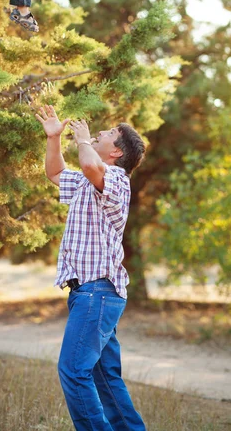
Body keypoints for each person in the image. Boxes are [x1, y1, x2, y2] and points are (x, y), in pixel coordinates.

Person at [35, 104, 147, 431]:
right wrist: (54, 138)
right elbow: (55, 173)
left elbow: (88, 165)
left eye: (108, 133)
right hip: (92, 293)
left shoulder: (116, 179)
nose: (100, 132)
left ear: (115, 152)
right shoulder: (89, 182)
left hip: (97, 293)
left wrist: (83, 140)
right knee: (104, 377)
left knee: (73, 370)